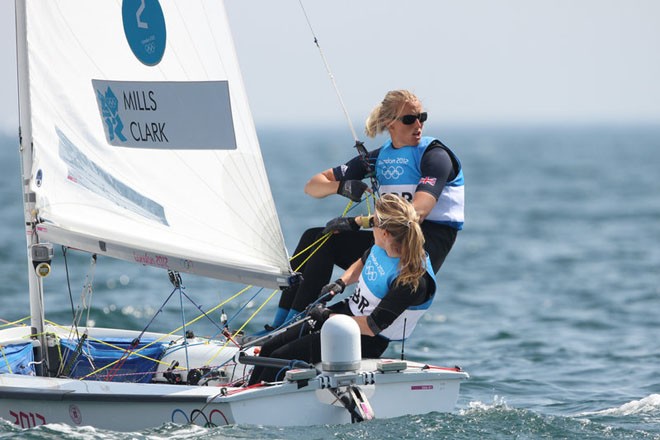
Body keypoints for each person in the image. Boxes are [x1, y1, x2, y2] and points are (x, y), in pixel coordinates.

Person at [267, 89, 464, 330]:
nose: (418, 124)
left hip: (421, 245)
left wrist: (359, 222)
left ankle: (291, 327)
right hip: (389, 240)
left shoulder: (434, 156)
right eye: (409, 119)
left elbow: (417, 212)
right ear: (388, 123)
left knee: (326, 240)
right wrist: (342, 186)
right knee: (315, 238)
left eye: (421, 117)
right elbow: (312, 187)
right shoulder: (377, 158)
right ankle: (281, 325)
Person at [248, 194, 437, 385]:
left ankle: (252, 400)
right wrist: (340, 283)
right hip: (345, 314)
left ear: (385, 232)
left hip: (365, 339)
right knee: (270, 346)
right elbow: (363, 262)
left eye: (374, 223)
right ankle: (247, 388)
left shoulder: (411, 280)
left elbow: (372, 326)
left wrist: (326, 316)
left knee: (282, 356)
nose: (371, 227)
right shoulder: (386, 245)